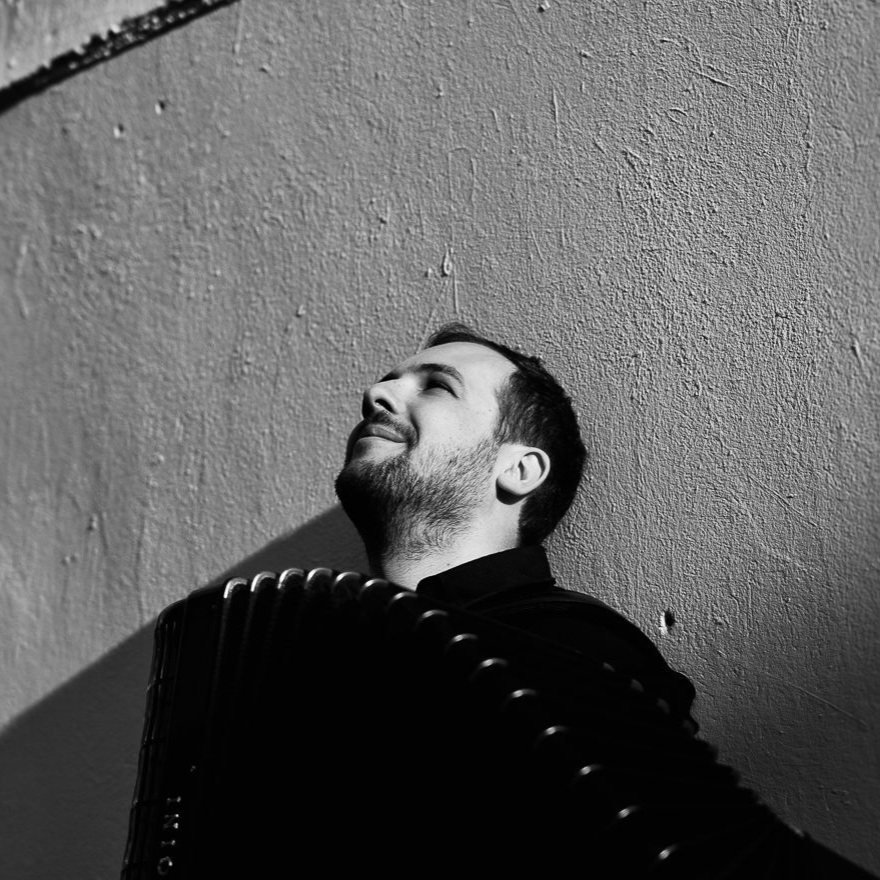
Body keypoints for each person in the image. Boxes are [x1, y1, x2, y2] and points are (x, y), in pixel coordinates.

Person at [335, 321, 697, 725]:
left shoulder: (578, 651)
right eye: (387, 382)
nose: (374, 395)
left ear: (520, 469)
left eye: (438, 386)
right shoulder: (316, 641)